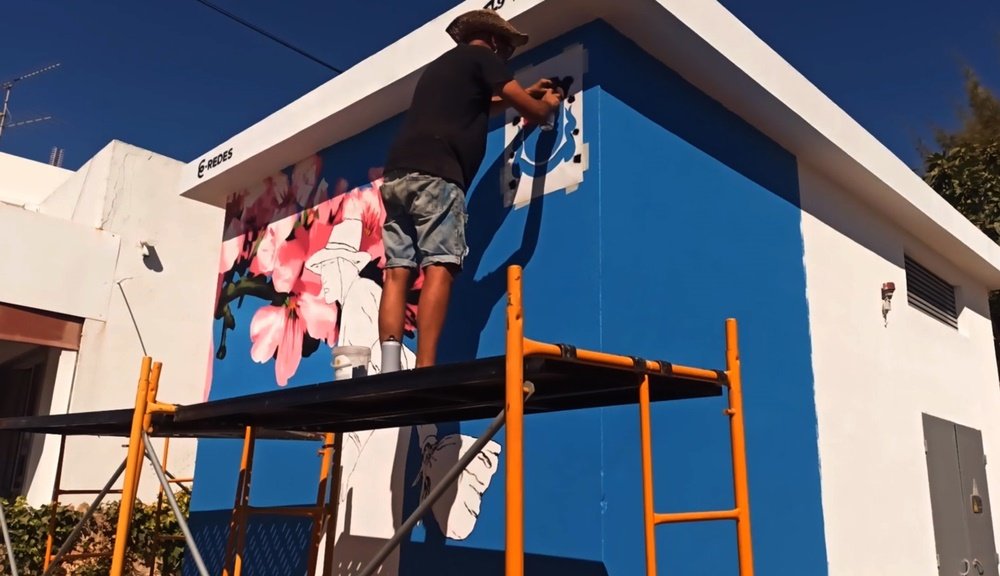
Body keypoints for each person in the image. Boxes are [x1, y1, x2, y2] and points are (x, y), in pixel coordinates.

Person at [377, 9, 563, 369]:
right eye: (506, 51)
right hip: (438, 175)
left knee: (399, 269)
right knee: (439, 266)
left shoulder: (444, 66)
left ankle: (388, 368)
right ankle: (425, 367)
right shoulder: (483, 56)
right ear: (493, 41)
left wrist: (521, 93)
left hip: (397, 175)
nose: (506, 58)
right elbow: (534, 112)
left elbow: (484, 106)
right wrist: (547, 104)